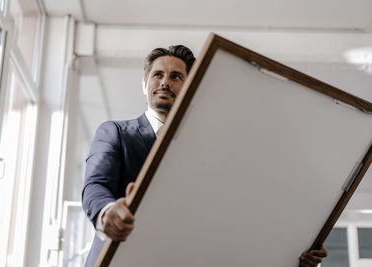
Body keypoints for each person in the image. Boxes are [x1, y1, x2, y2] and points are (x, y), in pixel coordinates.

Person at [82, 45, 328, 267]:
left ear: (189, 87)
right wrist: (107, 213)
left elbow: (238, 215)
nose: (165, 82)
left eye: (175, 76)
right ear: (145, 83)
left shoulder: (206, 150)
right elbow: (96, 185)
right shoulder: (115, 132)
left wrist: (295, 251)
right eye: (158, 75)